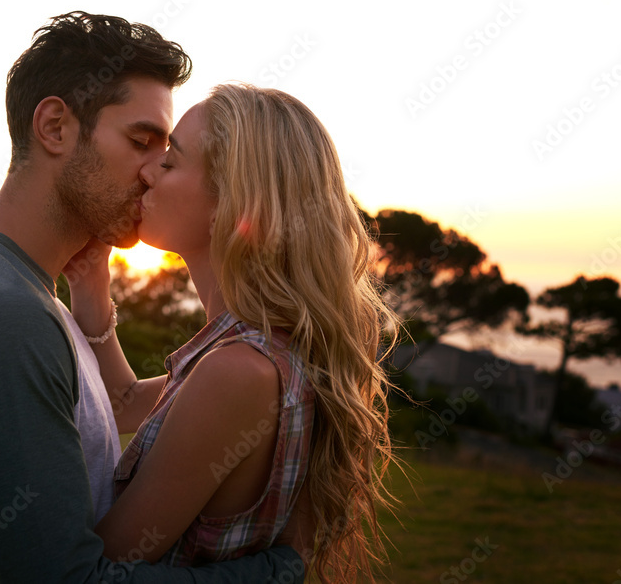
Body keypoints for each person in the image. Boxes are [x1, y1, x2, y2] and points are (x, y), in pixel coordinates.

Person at [0, 12, 307, 582]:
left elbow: (129, 399)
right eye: (141, 140)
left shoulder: (32, 301)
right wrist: (274, 573)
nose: (156, 169)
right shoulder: (0, 317)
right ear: (56, 127)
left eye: (169, 152)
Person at [68, 83, 399, 582]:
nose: (146, 171)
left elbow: (98, 570)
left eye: (171, 162)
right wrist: (92, 286)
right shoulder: (264, 352)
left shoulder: (238, 372)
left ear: (232, 204)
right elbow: (124, 402)